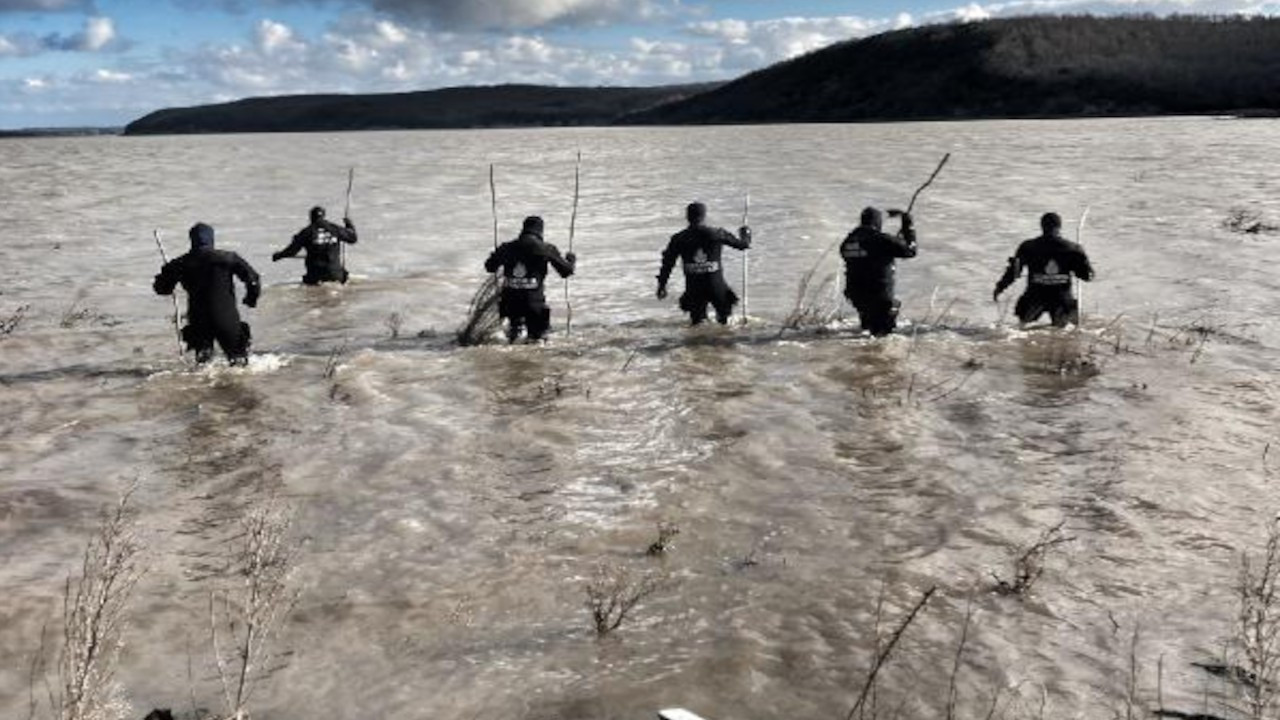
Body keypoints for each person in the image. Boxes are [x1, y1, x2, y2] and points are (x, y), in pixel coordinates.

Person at [153, 223, 260, 365]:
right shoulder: (228, 258)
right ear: (212, 239)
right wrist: (251, 299)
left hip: (199, 320)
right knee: (239, 362)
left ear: (191, 240)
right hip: (226, 318)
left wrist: (167, 274)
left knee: (204, 366)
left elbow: (161, 289)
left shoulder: (180, 263)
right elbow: (253, 280)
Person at [656, 202, 752, 325]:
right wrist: (746, 234)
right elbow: (743, 245)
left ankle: (696, 342)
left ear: (687, 217)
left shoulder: (679, 238)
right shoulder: (717, 234)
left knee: (697, 323)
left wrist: (662, 285)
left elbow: (667, 263)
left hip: (694, 289)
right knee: (725, 321)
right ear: (704, 216)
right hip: (716, 286)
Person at [993, 212, 1095, 327]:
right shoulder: (1072, 248)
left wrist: (999, 288)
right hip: (1061, 298)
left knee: (1020, 329)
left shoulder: (1028, 246)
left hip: (1035, 296)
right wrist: (1081, 260)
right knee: (1064, 332)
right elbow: (1088, 276)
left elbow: (1014, 272)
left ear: (1041, 226)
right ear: (1059, 227)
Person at [484, 216, 576, 343]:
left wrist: (497, 254)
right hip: (534, 304)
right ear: (540, 231)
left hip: (510, 303)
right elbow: (566, 272)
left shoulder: (507, 248)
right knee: (537, 341)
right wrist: (571, 259)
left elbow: (489, 267)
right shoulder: (546, 249)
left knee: (514, 337)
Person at [840, 206, 916, 336]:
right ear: (877, 222)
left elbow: (865, 256)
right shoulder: (881, 239)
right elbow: (910, 250)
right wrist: (907, 225)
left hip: (856, 295)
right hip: (879, 295)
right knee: (882, 336)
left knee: (866, 330)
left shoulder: (848, 241)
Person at [271, 206, 357, 284]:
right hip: (335, 275)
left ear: (311, 218)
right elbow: (353, 239)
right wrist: (349, 225)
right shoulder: (335, 229)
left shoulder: (306, 232)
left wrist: (278, 255)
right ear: (324, 216)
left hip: (315, 276)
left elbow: (291, 251)